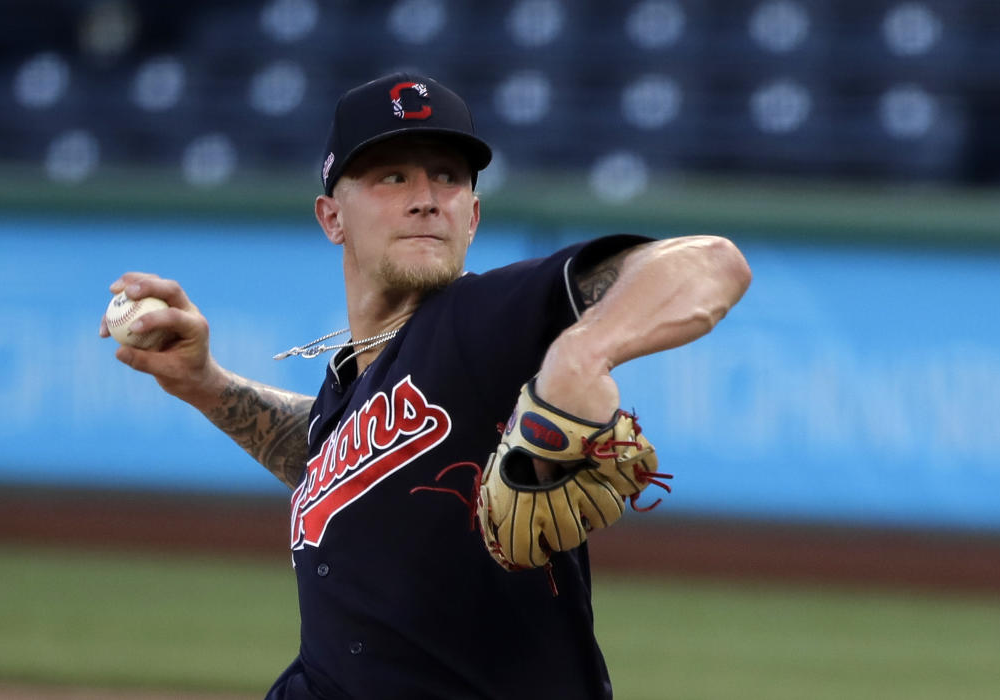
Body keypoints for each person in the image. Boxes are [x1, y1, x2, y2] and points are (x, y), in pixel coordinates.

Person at [101, 73, 751, 699]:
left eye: (448, 176)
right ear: (332, 217)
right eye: (392, 176)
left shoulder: (483, 322)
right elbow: (335, 458)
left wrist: (581, 352)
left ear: (471, 215)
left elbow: (711, 265)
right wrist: (204, 384)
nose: (426, 196)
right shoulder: (351, 378)